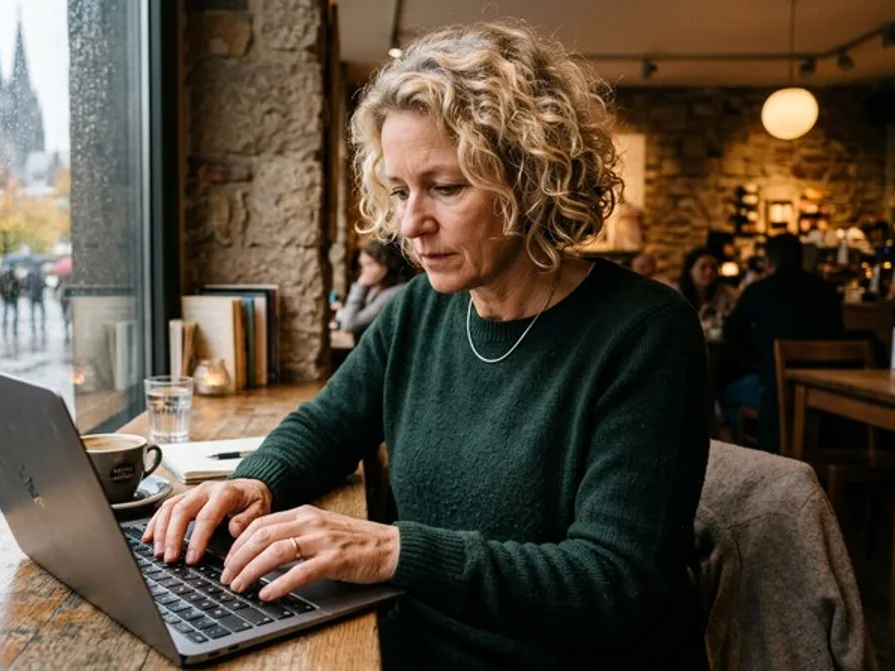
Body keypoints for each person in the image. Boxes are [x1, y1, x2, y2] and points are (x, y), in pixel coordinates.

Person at [142, 20, 710, 669]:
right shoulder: (419, 309)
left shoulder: (645, 332)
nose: (411, 224)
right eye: (399, 190)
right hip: (408, 643)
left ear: (531, 180)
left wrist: (392, 550)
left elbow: (614, 584)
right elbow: (328, 424)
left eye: (446, 187)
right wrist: (255, 483)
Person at [722, 234, 844, 453]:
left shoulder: (760, 290)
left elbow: (731, 332)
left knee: (725, 390)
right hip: (823, 394)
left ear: (769, 261)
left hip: (774, 392)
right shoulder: (828, 291)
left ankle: (748, 455)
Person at [333, 240, 412, 338]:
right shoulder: (377, 289)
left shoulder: (394, 293)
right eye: (362, 265)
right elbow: (347, 317)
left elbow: (348, 324)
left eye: (369, 264)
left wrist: (360, 286)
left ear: (384, 266)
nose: (363, 270)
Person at [678, 247, 737, 331]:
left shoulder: (725, 292)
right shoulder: (677, 295)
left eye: (713, 267)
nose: (709, 272)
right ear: (690, 270)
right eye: (703, 267)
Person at [0, 267, 22, 337]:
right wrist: (16, 294)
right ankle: (12, 329)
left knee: (7, 314)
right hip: (11, 299)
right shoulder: (14, 277)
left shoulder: (3, 277)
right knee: (12, 314)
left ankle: (7, 329)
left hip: (8, 299)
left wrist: (3, 294)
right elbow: (19, 287)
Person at [24, 267, 46, 334]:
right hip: (39, 296)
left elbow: (26, 285)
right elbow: (43, 284)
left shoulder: (29, 275)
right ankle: (42, 324)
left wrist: (29, 291)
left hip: (32, 295)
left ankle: (33, 325)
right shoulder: (40, 274)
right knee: (42, 311)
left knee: (32, 312)